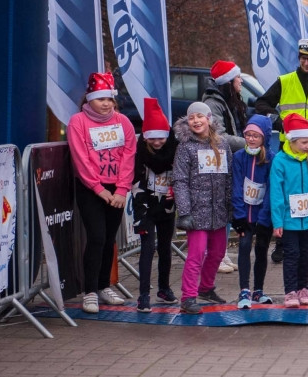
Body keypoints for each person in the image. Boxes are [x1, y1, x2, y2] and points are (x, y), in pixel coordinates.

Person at [255, 39, 308, 264]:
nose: (306, 62)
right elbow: (261, 104)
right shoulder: (285, 81)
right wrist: (281, 122)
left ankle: (304, 243)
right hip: (289, 148)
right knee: (288, 194)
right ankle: (282, 244)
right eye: (303, 58)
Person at [66, 72, 137, 314]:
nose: (106, 103)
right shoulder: (78, 122)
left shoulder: (123, 122)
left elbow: (129, 156)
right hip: (90, 188)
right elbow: (80, 157)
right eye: (100, 99)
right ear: (89, 99)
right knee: (96, 237)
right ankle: (90, 291)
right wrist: (98, 189)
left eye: (109, 99)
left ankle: (105, 285)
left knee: (109, 239)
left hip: (116, 189)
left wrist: (121, 189)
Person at [172, 102, 233, 314]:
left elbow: (229, 177)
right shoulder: (185, 147)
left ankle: (206, 288)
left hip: (219, 211)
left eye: (200, 116)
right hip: (197, 212)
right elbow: (179, 181)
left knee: (217, 253)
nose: (196, 121)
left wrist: (230, 205)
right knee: (196, 255)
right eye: (191, 118)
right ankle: (188, 297)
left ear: (208, 118)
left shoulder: (223, 144)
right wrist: (185, 211)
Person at [131, 98, 178, 313]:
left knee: (165, 248)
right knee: (148, 249)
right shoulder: (140, 152)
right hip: (147, 208)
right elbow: (137, 183)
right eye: (152, 139)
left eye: (161, 138)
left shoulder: (175, 148)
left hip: (167, 207)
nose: (157, 142)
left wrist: (176, 192)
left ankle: (164, 288)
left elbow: (181, 176)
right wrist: (140, 214)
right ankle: (143, 294)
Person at [205, 60, 248, 274]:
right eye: (237, 77)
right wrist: (248, 143)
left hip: (230, 159)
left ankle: (220, 252)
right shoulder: (214, 103)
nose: (241, 80)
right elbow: (219, 136)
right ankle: (213, 254)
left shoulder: (230, 99)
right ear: (228, 81)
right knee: (220, 209)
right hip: (219, 162)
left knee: (227, 208)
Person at [270, 114, 308, 308]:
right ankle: (290, 291)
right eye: (304, 142)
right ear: (292, 140)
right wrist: (278, 221)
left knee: (304, 254)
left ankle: (303, 288)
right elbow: (276, 193)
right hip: (288, 219)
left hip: (306, 219)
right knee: (291, 255)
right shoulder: (280, 161)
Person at [231, 114, 275, 309]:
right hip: (245, 215)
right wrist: (239, 215)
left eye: (255, 136)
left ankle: (258, 290)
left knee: (262, 250)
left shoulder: (271, 159)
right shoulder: (239, 157)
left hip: (263, 214)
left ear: (264, 138)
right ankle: (244, 290)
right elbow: (236, 187)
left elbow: (271, 188)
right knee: (244, 247)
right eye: (248, 135)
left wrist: (265, 215)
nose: (250, 139)